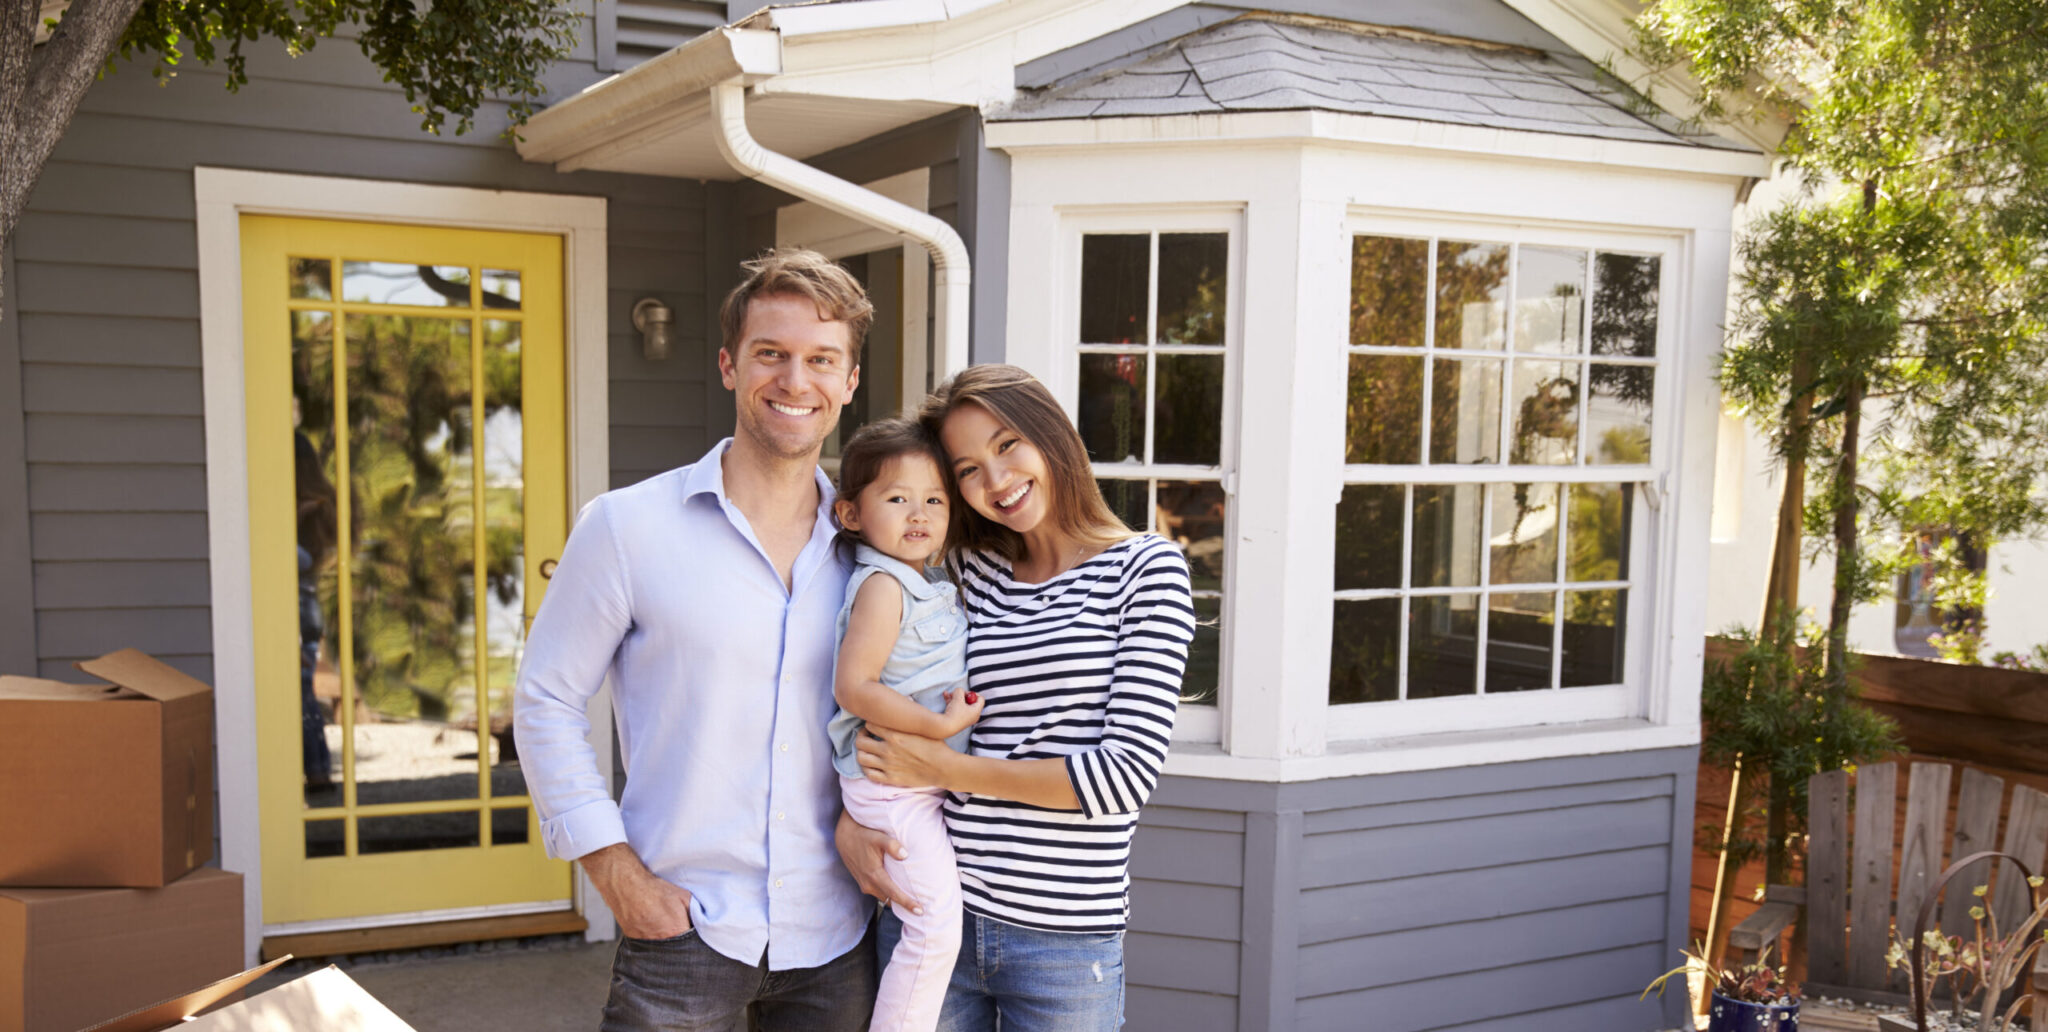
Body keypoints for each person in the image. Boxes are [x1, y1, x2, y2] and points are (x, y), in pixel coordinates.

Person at [514, 248, 879, 1032]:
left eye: (822, 360)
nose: (794, 381)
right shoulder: (626, 526)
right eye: (770, 354)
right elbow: (545, 696)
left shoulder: (872, 545)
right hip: (682, 931)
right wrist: (611, 871)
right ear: (728, 365)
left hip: (839, 939)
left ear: (849, 382)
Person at [838, 364, 1195, 1032]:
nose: (996, 481)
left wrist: (946, 769)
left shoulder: (1146, 570)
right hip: (933, 910)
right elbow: (866, 682)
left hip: (1062, 941)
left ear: (1049, 434)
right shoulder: (967, 571)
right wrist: (851, 819)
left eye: (1006, 446)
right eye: (968, 470)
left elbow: (1121, 778)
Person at [825, 418, 983, 1032]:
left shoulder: (928, 581)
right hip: (893, 787)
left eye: (934, 500)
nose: (919, 514)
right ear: (851, 514)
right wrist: (939, 727)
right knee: (935, 924)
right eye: (897, 499)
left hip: (915, 785)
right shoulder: (884, 586)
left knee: (932, 919)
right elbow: (854, 686)